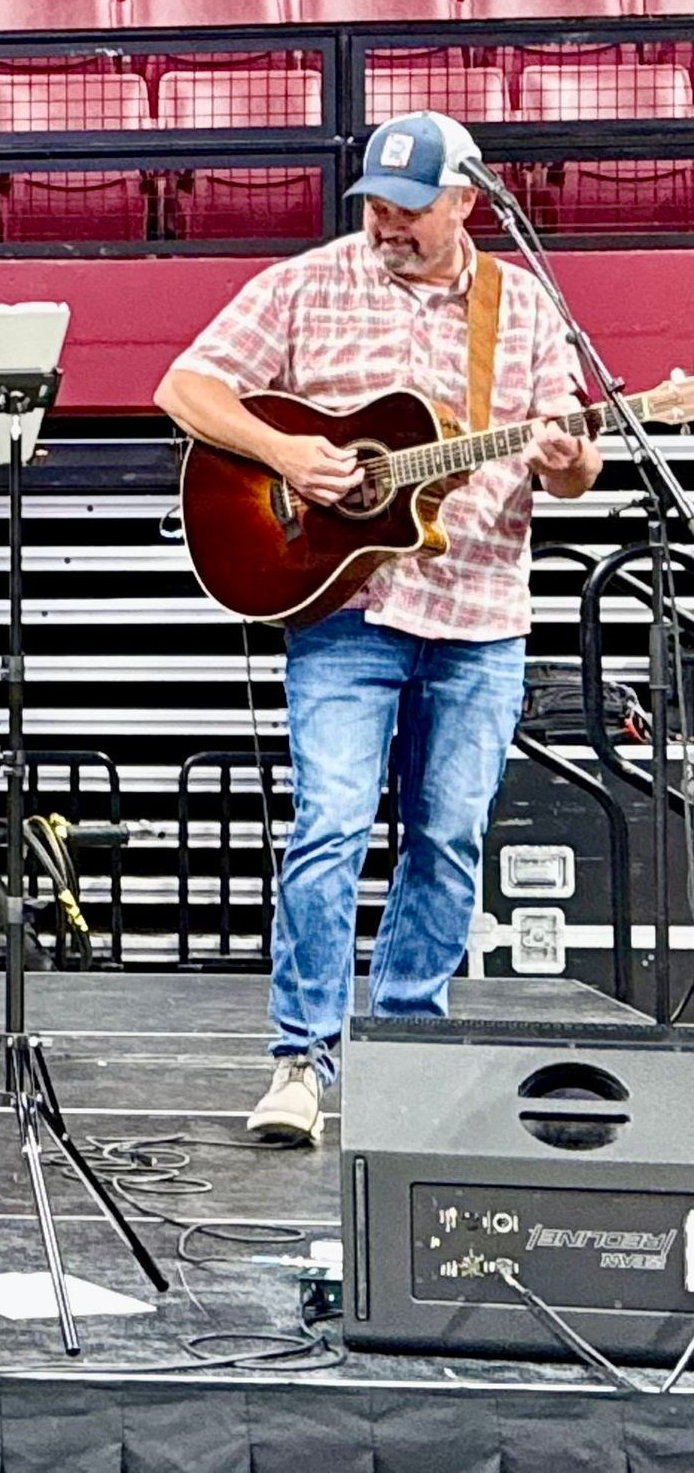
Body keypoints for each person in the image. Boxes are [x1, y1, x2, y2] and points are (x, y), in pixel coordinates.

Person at [156, 111, 602, 1144]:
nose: (387, 225)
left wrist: (567, 460)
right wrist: (288, 455)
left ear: (465, 204)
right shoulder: (312, 281)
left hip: (479, 609)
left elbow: (577, 470)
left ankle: (407, 1049)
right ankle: (298, 1062)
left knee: (447, 839)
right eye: (376, 206)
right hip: (344, 606)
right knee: (331, 827)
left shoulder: (521, 305)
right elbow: (182, 386)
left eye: (409, 209)